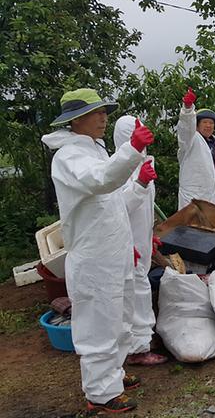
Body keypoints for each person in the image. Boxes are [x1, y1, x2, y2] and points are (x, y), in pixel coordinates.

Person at [42, 88, 154, 413]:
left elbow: (114, 204)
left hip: (112, 252)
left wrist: (139, 186)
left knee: (118, 320)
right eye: (97, 112)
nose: (104, 117)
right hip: (93, 257)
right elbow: (100, 181)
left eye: (105, 111)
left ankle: (113, 375)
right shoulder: (68, 157)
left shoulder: (93, 150)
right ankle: (100, 394)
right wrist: (132, 150)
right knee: (99, 324)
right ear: (76, 120)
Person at [113, 116, 168, 365]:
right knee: (136, 294)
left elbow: (144, 210)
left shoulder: (140, 164)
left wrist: (149, 235)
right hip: (129, 244)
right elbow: (117, 208)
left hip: (140, 241)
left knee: (140, 290)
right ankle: (137, 350)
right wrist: (140, 183)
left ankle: (141, 341)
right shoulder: (118, 169)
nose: (143, 133)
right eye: (136, 130)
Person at [177, 87, 215, 210]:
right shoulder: (190, 141)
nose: (208, 125)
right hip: (192, 198)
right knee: (190, 228)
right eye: (205, 122)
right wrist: (187, 109)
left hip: (213, 200)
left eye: (211, 123)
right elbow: (185, 128)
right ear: (197, 124)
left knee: (210, 228)